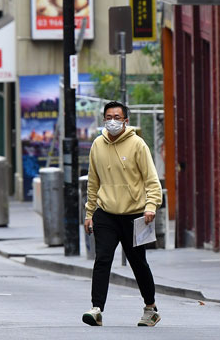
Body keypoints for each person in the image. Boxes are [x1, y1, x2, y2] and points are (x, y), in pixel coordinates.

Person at [82, 101, 162, 327]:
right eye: (108, 117)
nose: (113, 121)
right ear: (103, 119)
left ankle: (150, 308)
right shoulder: (97, 145)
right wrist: (89, 213)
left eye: (117, 117)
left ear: (126, 120)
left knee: (138, 263)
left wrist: (151, 206)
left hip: (135, 214)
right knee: (102, 259)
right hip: (106, 213)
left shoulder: (138, 145)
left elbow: (151, 180)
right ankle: (96, 309)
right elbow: (93, 182)